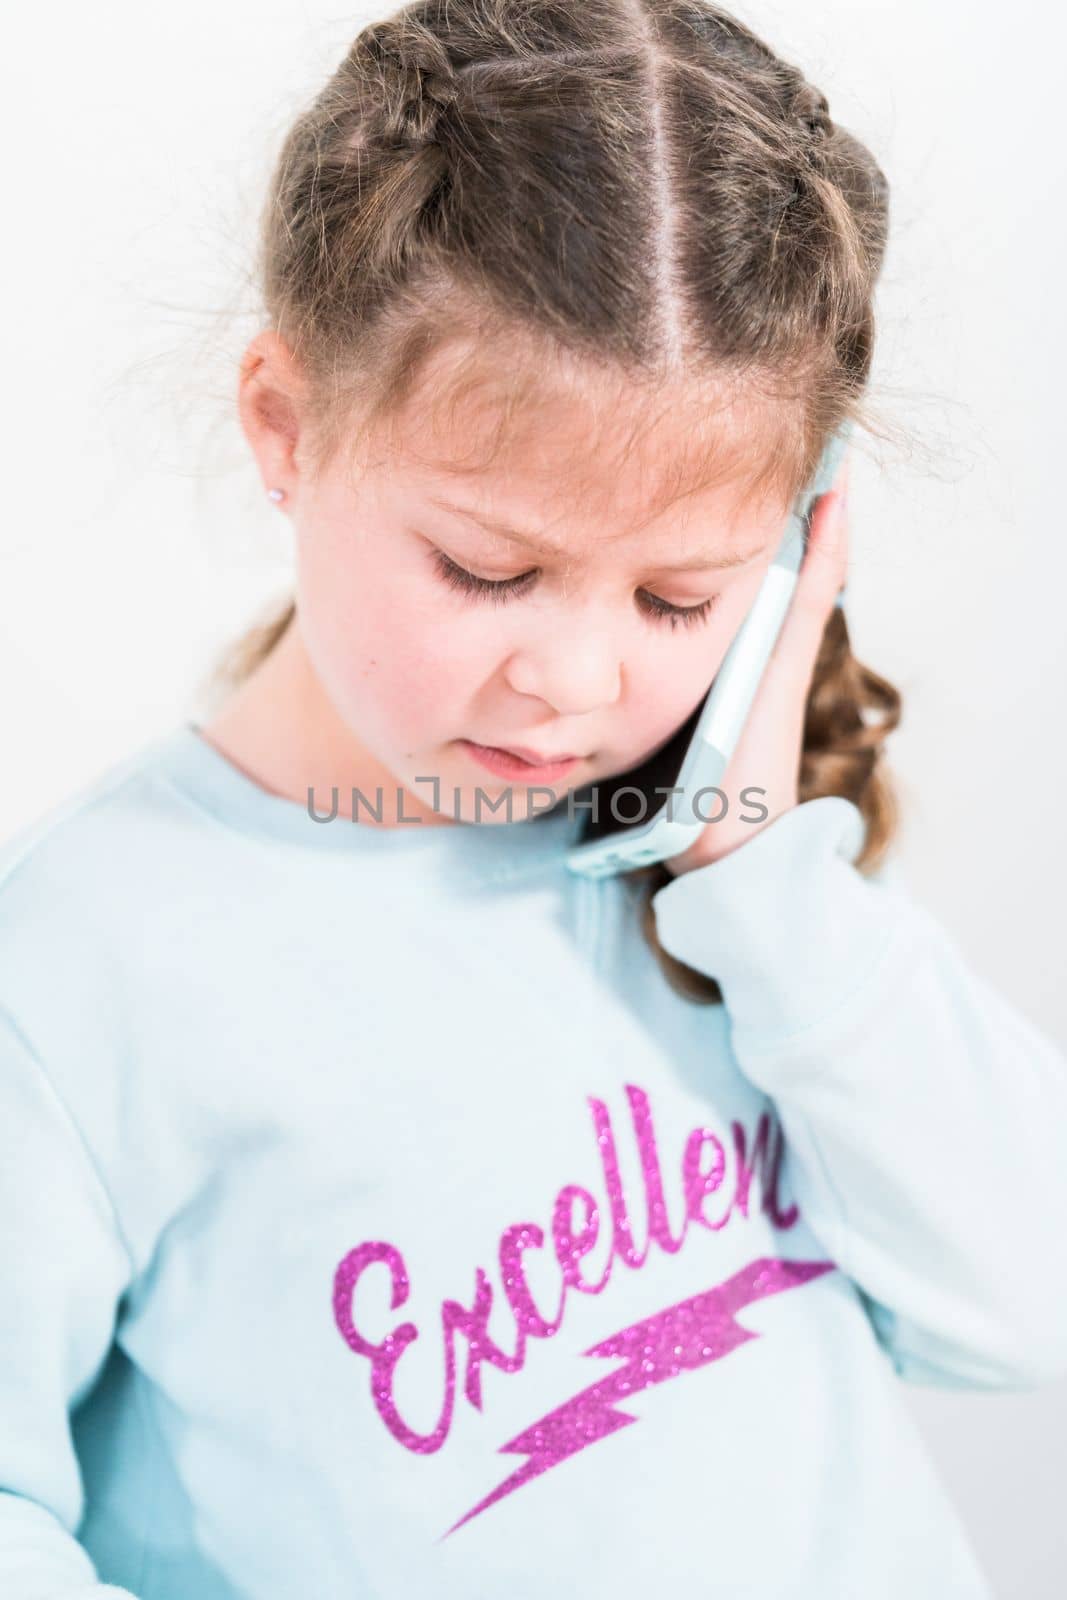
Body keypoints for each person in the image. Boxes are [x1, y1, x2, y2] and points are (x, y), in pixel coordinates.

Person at [2, 3, 1065, 1597]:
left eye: (675, 597)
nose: (576, 683)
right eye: (490, 569)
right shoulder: (80, 968)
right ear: (287, 428)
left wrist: (765, 881)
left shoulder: (734, 883)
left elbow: (1024, 1309)